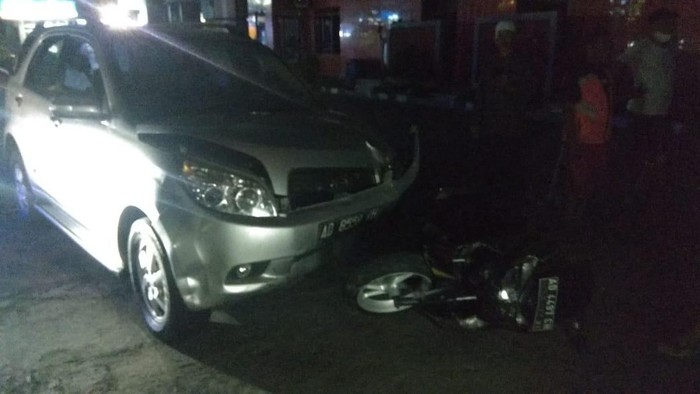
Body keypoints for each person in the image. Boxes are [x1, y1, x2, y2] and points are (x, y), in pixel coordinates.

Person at [472, 20, 536, 210]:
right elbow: (480, 94)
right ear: (495, 38)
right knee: (489, 167)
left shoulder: (523, 63)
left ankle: (509, 207)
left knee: (510, 168)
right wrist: (476, 121)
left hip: (512, 126)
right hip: (490, 125)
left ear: (513, 38)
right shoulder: (488, 62)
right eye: (500, 35)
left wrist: (510, 87)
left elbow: (530, 92)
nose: (503, 39)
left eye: (507, 35)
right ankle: (488, 205)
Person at [616, 7, 678, 199]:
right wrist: (630, 91)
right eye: (665, 24)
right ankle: (630, 193)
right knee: (639, 151)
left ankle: (649, 193)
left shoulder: (670, 50)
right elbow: (619, 65)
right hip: (642, 112)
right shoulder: (641, 47)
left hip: (662, 111)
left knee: (657, 152)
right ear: (653, 26)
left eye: (671, 25)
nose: (669, 28)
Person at [561, 34, 613, 221]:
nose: (602, 52)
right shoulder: (576, 74)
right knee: (576, 186)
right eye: (598, 47)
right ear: (588, 48)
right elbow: (568, 108)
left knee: (593, 184)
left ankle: (585, 224)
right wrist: (573, 142)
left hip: (601, 140)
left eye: (605, 48)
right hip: (581, 141)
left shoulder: (604, 74)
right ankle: (569, 225)